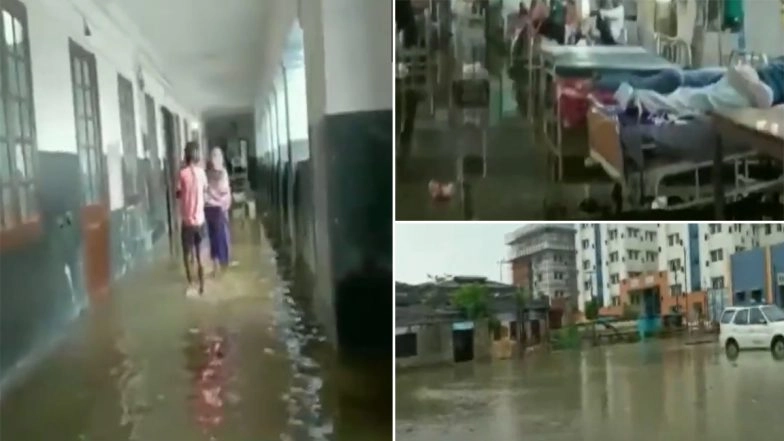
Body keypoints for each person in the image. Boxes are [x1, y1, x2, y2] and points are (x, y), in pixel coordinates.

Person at [611, 60, 784, 116]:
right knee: (687, 91)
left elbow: (765, 100)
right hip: (744, 78)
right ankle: (634, 98)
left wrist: (749, 81)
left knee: (691, 100)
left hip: (756, 90)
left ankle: (636, 100)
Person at [177, 141, 208, 296]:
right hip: (200, 221)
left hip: (187, 222)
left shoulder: (182, 174)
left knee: (186, 255)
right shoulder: (202, 173)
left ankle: (191, 284)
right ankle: (202, 287)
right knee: (200, 255)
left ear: (186, 154)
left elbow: (178, 193)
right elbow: (205, 190)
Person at [204, 147, 232, 276]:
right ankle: (223, 266)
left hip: (208, 208)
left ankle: (216, 267)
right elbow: (224, 190)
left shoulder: (207, 173)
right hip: (219, 209)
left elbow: (204, 190)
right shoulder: (222, 173)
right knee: (222, 237)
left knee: (213, 238)